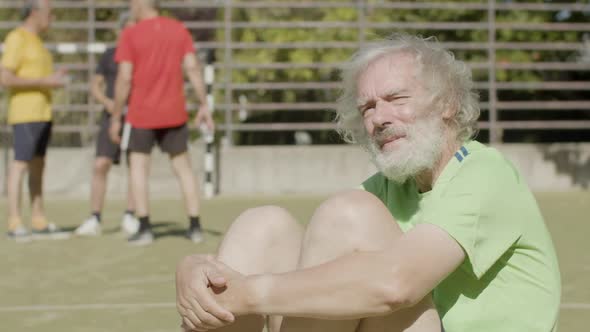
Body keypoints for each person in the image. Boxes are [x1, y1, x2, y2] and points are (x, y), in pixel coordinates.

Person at [174, 34, 561, 332]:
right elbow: (317, 261)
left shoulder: (484, 173)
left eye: (395, 98)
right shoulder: (389, 187)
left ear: (447, 103)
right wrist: (196, 271)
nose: (380, 117)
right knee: (264, 227)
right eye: (368, 108)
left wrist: (249, 293)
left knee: (348, 215)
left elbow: (399, 284)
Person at [109, 0, 214, 245]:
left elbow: (124, 78)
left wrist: (115, 116)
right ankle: (195, 226)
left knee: (138, 167)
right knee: (183, 168)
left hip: (142, 114)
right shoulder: (178, 29)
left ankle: (144, 228)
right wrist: (203, 104)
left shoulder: (131, 33)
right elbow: (193, 68)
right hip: (173, 112)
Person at [1, 0, 68, 240]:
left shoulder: (39, 42)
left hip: (43, 114)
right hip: (25, 114)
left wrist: (54, 78)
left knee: (38, 166)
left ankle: (38, 220)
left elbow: (39, 77)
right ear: (34, 13)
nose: (52, 18)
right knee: (20, 165)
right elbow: (5, 78)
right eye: (50, 12)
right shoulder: (16, 38)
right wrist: (46, 82)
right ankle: (14, 222)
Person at [74, 12, 139, 236]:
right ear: (120, 31)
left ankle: (131, 215)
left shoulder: (142, 55)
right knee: (101, 164)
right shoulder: (109, 55)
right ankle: (95, 217)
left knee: (135, 166)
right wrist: (110, 104)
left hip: (136, 118)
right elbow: (95, 86)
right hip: (111, 117)